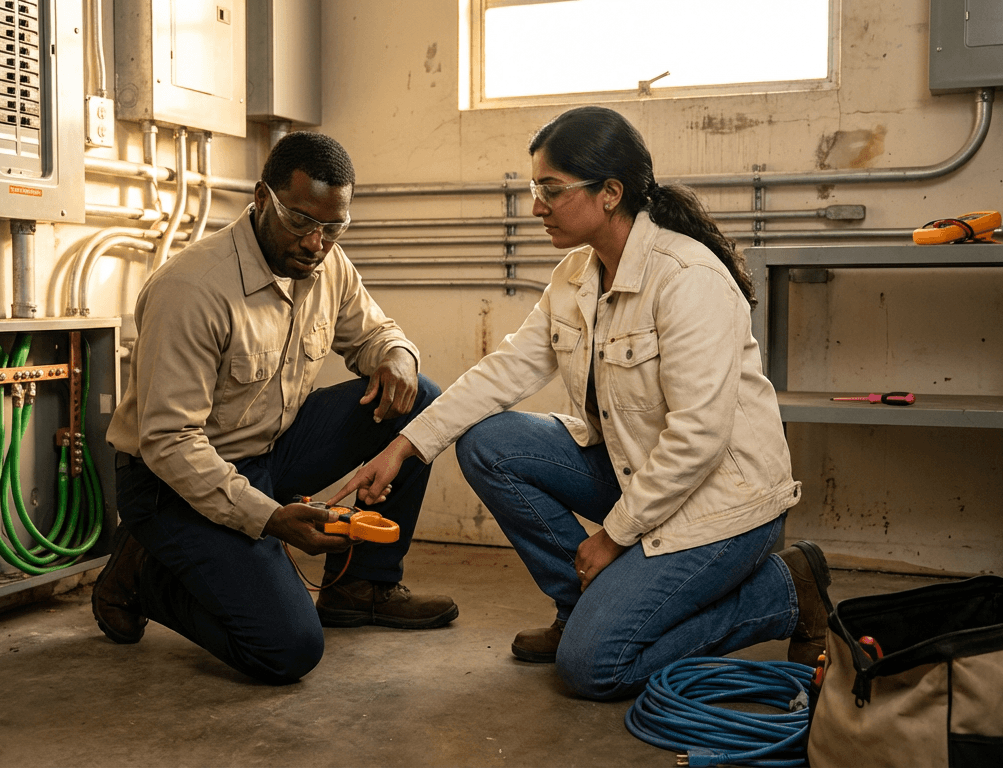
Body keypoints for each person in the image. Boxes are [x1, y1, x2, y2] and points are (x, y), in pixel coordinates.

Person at [329, 106, 830, 701]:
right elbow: (505, 370)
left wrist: (613, 537)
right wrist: (404, 447)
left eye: (550, 189)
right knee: (490, 443)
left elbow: (699, 439)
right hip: (640, 473)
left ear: (610, 193)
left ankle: (782, 592)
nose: (536, 205)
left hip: (721, 503)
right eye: (534, 187)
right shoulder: (575, 276)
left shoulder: (688, 277)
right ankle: (582, 610)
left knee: (595, 668)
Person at [95, 131, 458, 686]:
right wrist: (269, 518)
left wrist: (397, 357)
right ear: (262, 198)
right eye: (302, 222)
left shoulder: (325, 263)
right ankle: (145, 574)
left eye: (333, 227)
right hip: (172, 482)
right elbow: (169, 443)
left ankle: (361, 587)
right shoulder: (193, 290)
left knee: (420, 401)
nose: (316, 243)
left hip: (270, 449)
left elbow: (375, 333)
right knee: (286, 650)